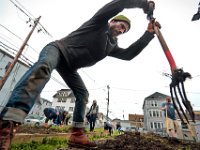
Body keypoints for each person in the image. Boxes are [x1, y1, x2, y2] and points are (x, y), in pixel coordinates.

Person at [0, 0, 161, 149]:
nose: (120, 30)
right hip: (57, 49)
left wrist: (148, 34)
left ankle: (76, 134)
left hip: (69, 67)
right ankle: (7, 126)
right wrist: (142, 4)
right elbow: (119, 4)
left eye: (124, 30)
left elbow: (128, 54)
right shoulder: (99, 23)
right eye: (120, 25)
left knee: (83, 94)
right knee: (44, 66)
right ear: (112, 21)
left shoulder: (111, 46)